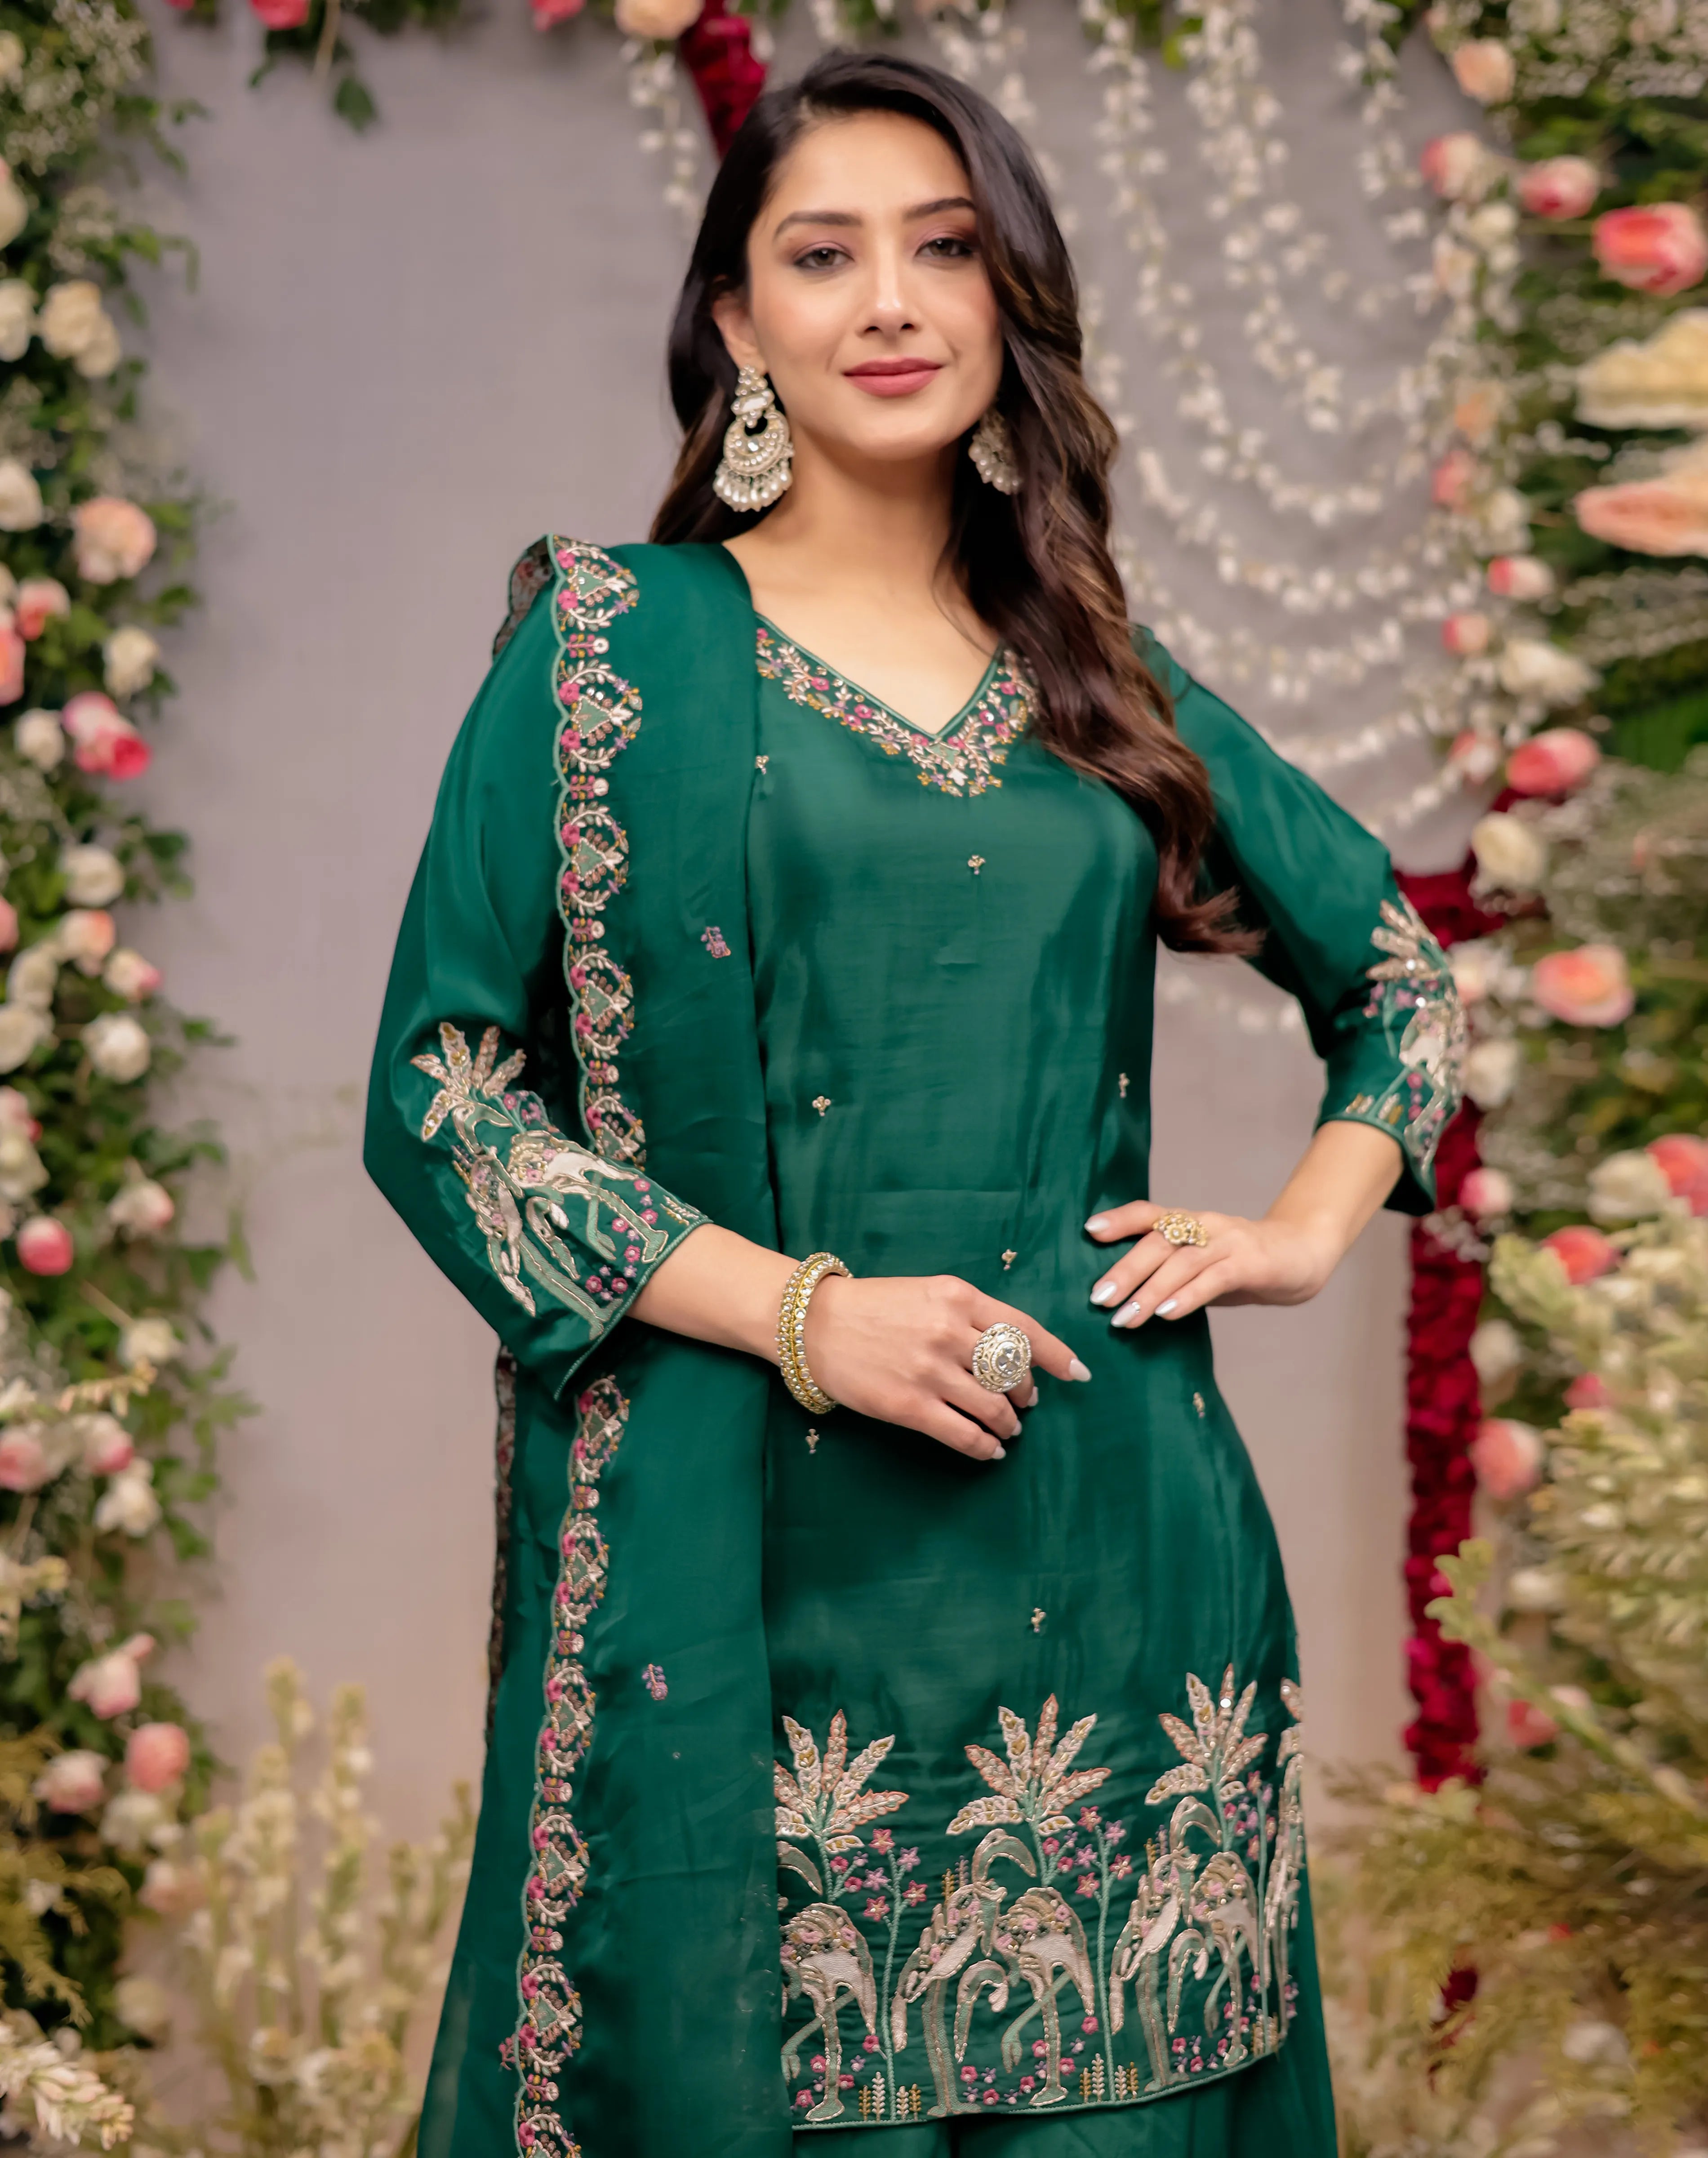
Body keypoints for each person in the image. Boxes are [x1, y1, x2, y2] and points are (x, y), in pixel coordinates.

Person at [364, 48, 1463, 2158]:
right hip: (754, 1578)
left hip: (1120, 1577)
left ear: (1004, 299)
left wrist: (1301, 1227)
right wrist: (803, 1311)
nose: (890, 299)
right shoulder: (612, 656)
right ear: (733, 323)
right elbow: (444, 1099)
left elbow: (1395, 977)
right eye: (823, 252)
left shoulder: (1094, 684)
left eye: (943, 248)